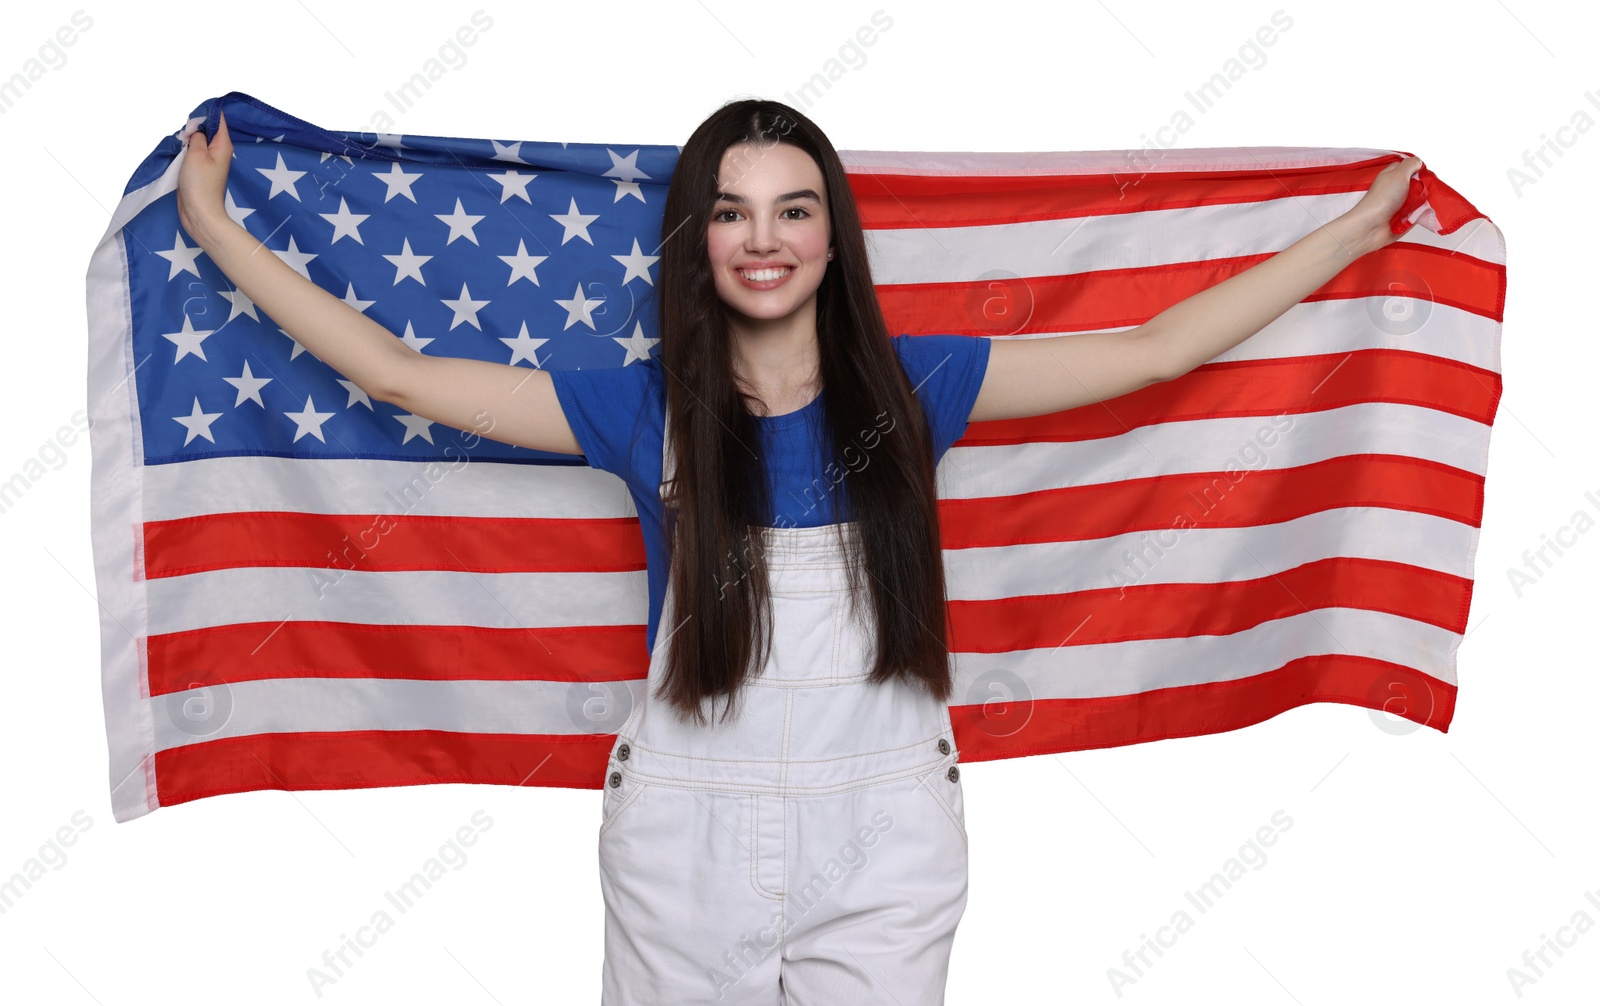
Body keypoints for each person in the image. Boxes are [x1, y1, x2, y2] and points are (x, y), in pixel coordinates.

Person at [177, 98, 1422, 1004]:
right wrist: (214, 226)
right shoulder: (640, 405)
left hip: (885, 826)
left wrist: (1355, 233)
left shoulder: (921, 380)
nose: (761, 238)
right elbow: (399, 372)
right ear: (698, 239)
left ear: (833, 238)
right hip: (684, 832)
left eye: (792, 208)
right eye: (730, 212)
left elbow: (1157, 349)